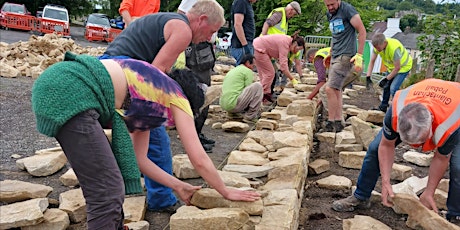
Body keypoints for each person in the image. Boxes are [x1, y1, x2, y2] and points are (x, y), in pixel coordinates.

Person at [31, 53, 261, 229]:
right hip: (71, 90)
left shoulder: (149, 91)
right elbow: (198, 157)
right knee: (107, 191)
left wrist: (177, 185)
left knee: (107, 185)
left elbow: (139, 159)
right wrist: (225, 191)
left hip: (60, 84)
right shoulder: (175, 95)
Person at [101, 0, 225, 212]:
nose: (209, 38)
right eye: (211, 31)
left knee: (139, 143)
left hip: (112, 68)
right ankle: (161, 199)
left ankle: (133, 184)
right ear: (202, 19)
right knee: (157, 144)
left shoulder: (170, 20)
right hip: (125, 74)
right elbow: (155, 75)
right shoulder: (183, 30)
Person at [331, 78, 460, 223]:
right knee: (374, 149)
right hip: (429, 96)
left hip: (455, 108)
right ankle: (361, 196)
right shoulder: (396, 110)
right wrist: (385, 182)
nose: (418, 147)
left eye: (422, 141)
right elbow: (386, 145)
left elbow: (441, 158)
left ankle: (455, 215)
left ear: (431, 121)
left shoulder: (450, 124)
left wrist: (429, 192)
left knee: (458, 166)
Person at [178, 0, 217, 154]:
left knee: (205, 91)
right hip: (196, 50)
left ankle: (197, 134)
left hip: (204, 50)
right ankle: (192, 139)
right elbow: (181, 15)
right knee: (197, 94)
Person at [322, 0, 366, 133]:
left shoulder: (348, 10)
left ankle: (331, 122)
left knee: (329, 89)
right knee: (336, 89)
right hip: (336, 55)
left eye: (332, 5)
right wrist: (331, 52)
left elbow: (362, 30)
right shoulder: (330, 14)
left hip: (346, 55)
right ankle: (338, 121)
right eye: (327, 5)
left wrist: (359, 55)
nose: (330, 7)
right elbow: (336, 35)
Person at [260, 1, 302, 94]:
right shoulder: (279, 14)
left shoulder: (284, 19)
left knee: (271, 73)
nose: (292, 16)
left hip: (271, 48)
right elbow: (267, 24)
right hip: (266, 47)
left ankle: (268, 93)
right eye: (293, 14)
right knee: (270, 73)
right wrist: (263, 37)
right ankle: (265, 95)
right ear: (291, 10)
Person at [253, 33, 305, 105]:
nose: (297, 52)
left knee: (264, 75)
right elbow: (283, 66)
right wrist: (292, 79)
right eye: (298, 49)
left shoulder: (287, 41)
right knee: (270, 74)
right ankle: (261, 97)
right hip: (259, 49)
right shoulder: (285, 44)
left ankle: (264, 96)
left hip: (258, 47)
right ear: (295, 43)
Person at [366, 33, 413, 113]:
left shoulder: (394, 49)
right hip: (391, 68)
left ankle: (398, 110)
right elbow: (372, 62)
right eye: (375, 48)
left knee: (393, 88)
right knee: (386, 86)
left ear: (384, 43)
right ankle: (383, 106)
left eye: (378, 48)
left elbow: (397, 68)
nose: (377, 50)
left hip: (403, 67)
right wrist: (368, 77)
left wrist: (386, 79)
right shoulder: (377, 47)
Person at [220, 54, 263, 123]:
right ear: (248, 63)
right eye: (253, 65)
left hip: (224, 104)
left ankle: (232, 114)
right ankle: (250, 117)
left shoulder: (234, 70)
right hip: (234, 105)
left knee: (235, 92)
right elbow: (249, 90)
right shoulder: (247, 71)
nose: (253, 68)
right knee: (258, 86)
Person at [230, 0, 257, 65]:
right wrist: (245, 46)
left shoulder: (246, 3)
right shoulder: (241, 2)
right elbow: (237, 24)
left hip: (245, 44)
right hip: (241, 46)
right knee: (243, 70)